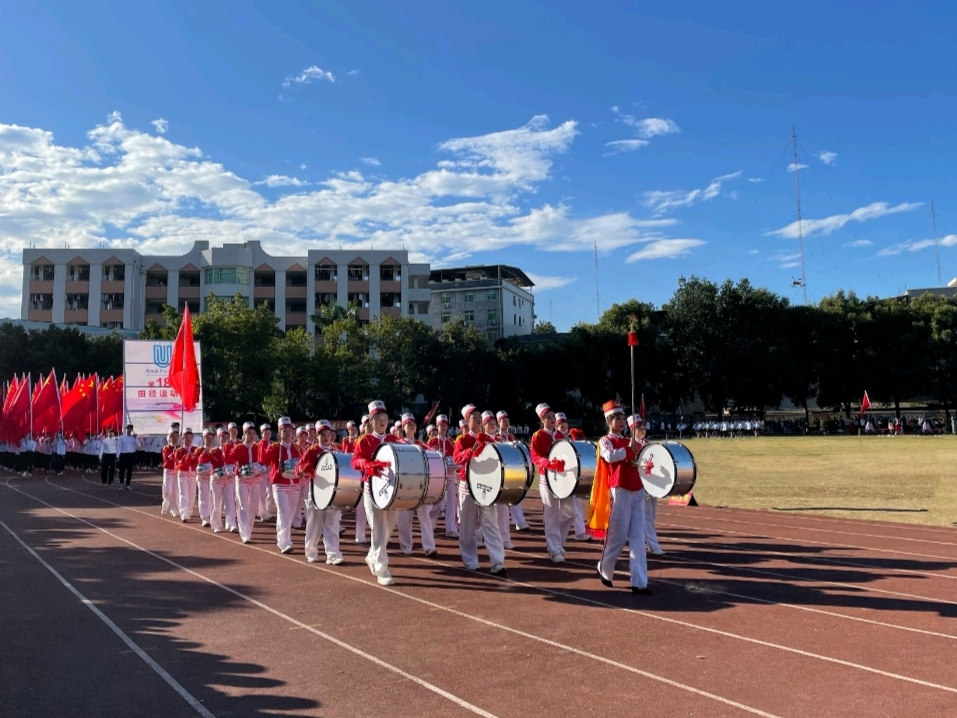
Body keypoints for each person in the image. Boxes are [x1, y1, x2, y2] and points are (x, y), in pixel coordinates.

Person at [595, 402, 650, 595]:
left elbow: (645, 457)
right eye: (616, 418)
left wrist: (640, 451)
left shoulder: (631, 440)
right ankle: (605, 569)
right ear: (608, 421)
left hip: (637, 488)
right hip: (619, 489)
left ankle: (639, 582)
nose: (621, 422)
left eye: (622, 418)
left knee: (638, 537)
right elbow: (609, 457)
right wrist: (628, 450)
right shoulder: (605, 441)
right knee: (618, 536)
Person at [351, 400, 401, 586]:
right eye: (378, 418)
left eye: (385, 418)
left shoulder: (394, 440)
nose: (382, 421)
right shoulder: (364, 441)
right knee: (378, 529)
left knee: (389, 527)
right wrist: (367, 465)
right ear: (371, 421)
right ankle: (381, 569)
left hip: (392, 491)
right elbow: (355, 461)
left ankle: (372, 555)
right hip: (371, 490)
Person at [452, 404, 506, 575]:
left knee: (491, 524)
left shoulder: (490, 440)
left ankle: (497, 561)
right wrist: (472, 449)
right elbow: (457, 459)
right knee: (467, 527)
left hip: (487, 488)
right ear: (467, 421)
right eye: (473, 417)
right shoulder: (461, 440)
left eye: (478, 417)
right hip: (468, 487)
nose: (477, 419)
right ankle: (470, 561)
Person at [530, 403, 573, 563]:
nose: (552, 419)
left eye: (553, 416)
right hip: (547, 479)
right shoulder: (538, 436)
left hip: (563, 478)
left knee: (570, 513)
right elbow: (535, 456)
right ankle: (554, 549)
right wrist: (548, 463)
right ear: (542, 420)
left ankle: (557, 542)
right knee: (551, 514)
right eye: (548, 417)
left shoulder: (561, 436)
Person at [296, 420, 344, 565]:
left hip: (333, 493)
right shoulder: (312, 451)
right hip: (316, 492)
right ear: (317, 436)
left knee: (332, 524)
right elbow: (299, 467)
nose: (326, 437)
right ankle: (311, 552)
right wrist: (304, 469)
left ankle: (333, 554)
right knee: (314, 524)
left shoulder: (337, 451)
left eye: (328, 434)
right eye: (322, 435)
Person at [396, 413, 438, 557]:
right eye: (408, 424)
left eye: (413, 423)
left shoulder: (422, 445)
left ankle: (429, 547)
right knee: (404, 518)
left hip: (421, 484)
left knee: (424, 515)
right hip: (405, 485)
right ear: (403, 427)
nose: (412, 426)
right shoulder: (398, 445)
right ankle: (406, 546)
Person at [260, 417, 302, 554]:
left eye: (290, 430)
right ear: (279, 433)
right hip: (280, 484)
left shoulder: (297, 448)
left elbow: (303, 463)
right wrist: (264, 442)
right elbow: (262, 460)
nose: (288, 433)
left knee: (290, 514)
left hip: (295, 484)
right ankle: (285, 542)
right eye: (285, 431)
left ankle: (281, 537)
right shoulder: (275, 447)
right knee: (284, 513)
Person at [555, 413, 591, 543]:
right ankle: (557, 534)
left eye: (565, 424)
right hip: (559, 478)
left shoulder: (570, 439)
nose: (564, 427)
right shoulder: (555, 440)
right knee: (560, 510)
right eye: (560, 425)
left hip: (571, 477)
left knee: (576, 505)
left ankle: (580, 532)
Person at [495, 410, 530, 532]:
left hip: (511, 470)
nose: (506, 423)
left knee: (515, 495)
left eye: (507, 421)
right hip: (500, 471)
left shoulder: (511, 437)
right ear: (498, 423)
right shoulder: (495, 437)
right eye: (503, 421)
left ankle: (519, 522)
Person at [230, 422, 263, 544]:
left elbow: (263, 461)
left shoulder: (258, 447)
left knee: (253, 508)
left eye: (253, 433)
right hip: (242, 480)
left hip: (255, 480)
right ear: (244, 434)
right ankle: (245, 534)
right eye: (249, 433)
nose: (251, 435)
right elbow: (230, 458)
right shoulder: (238, 448)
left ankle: (248, 529)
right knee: (243, 506)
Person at [427, 414, 458, 538]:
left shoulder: (451, 441)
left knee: (451, 503)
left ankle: (451, 529)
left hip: (450, 474)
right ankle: (430, 526)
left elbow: (455, 456)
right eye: (441, 425)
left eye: (445, 425)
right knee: (437, 503)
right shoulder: (432, 441)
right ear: (437, 426)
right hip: (438, 476)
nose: (443, 427)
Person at [207, 428, 236, 533]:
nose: (225, 440)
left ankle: (231, 523)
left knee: (230, 502)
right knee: (216, 503)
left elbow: (236, 464)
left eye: (227, 438)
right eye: (223, 438)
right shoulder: (214, 451)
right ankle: (216, 524)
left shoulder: (232, 451)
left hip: (228, 479)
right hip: (217, 480)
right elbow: (207, 463)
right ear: (218, 439)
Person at [193, 429, 217, 527]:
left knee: (212, 497)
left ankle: (212, 516)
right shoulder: (199, 450)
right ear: (203, 438)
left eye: (211, 438)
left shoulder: (215, 450)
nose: (210, 440)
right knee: (203, 497)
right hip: (202, 477)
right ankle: (204, 518)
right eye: (207, 438)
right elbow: (195, 462)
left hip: (213, 477)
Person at [174, 428, 198, 522]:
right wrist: (184, 460)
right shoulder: (179, 450)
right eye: (186, 437)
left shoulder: (195, 449)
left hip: (192, 474)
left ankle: (189, 511)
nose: (188, 440)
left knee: (192, 495)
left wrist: (193, 459)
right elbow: (176, 464)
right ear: (182, 438)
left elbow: (198, 461)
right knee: (184, 494)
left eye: (190, 437)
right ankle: (183, 514)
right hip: (182, 474)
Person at [160, 428, 180, 517]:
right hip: (168, 471)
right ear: (169, 437)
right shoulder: (166, 448)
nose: (175, 438)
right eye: (173, 436)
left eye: (176, 436)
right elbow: (166, 460)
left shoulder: (180, 448)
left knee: (175, 491)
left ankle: (174, 509)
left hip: (177, 471)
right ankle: (165, 505)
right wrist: (173, 453)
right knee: (168, 490)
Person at [117, 424, 137, 489]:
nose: (129, 430)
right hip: (123, 455)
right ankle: (121, 483)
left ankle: (128, 484)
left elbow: (139, 445)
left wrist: (136, 438)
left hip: (131, 455)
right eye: (128, 429)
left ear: (132, 430)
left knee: (129, 471)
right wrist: (117, 456)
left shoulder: (133, 438)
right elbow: (118, 447)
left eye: (130, 429)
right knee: (122, 470)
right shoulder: (121, 438)